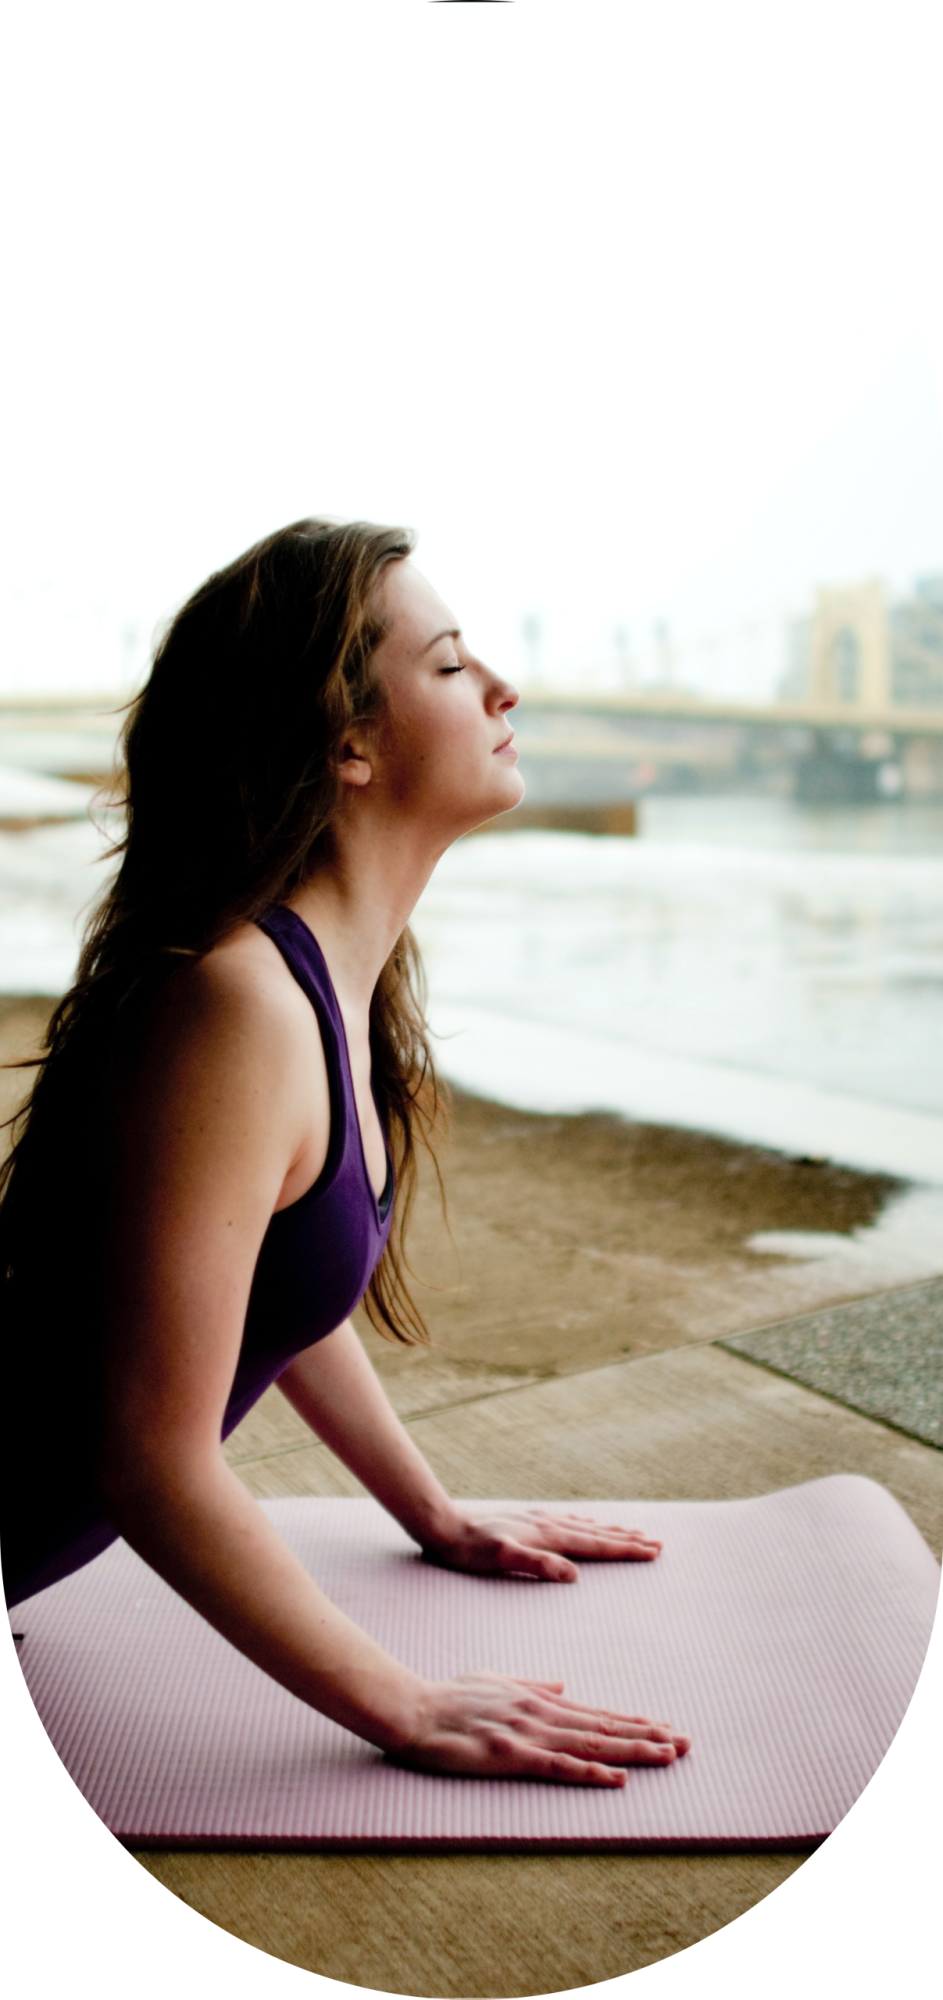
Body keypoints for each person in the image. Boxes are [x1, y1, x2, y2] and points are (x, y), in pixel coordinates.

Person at [3, 517, 690, 1784]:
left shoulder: (321, 981)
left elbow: (269, 1274)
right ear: (348, 741)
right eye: (446, 665)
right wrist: (403, 1704)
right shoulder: (240, 1005)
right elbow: (150, 1458)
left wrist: (427, 1508)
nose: (502, 686)